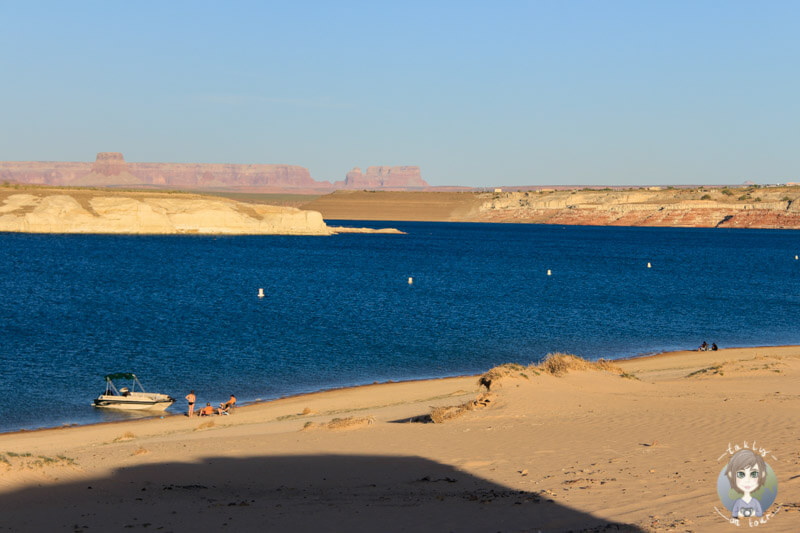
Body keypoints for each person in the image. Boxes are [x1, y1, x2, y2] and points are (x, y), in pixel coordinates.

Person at [725, 449, 767, 518]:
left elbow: (759, 513)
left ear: (762, 475)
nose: (747, 480)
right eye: (741, 474)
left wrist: (753, 513)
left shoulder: (755, 502)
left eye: (754, 474)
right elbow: (734, 514)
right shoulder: (738, 502)